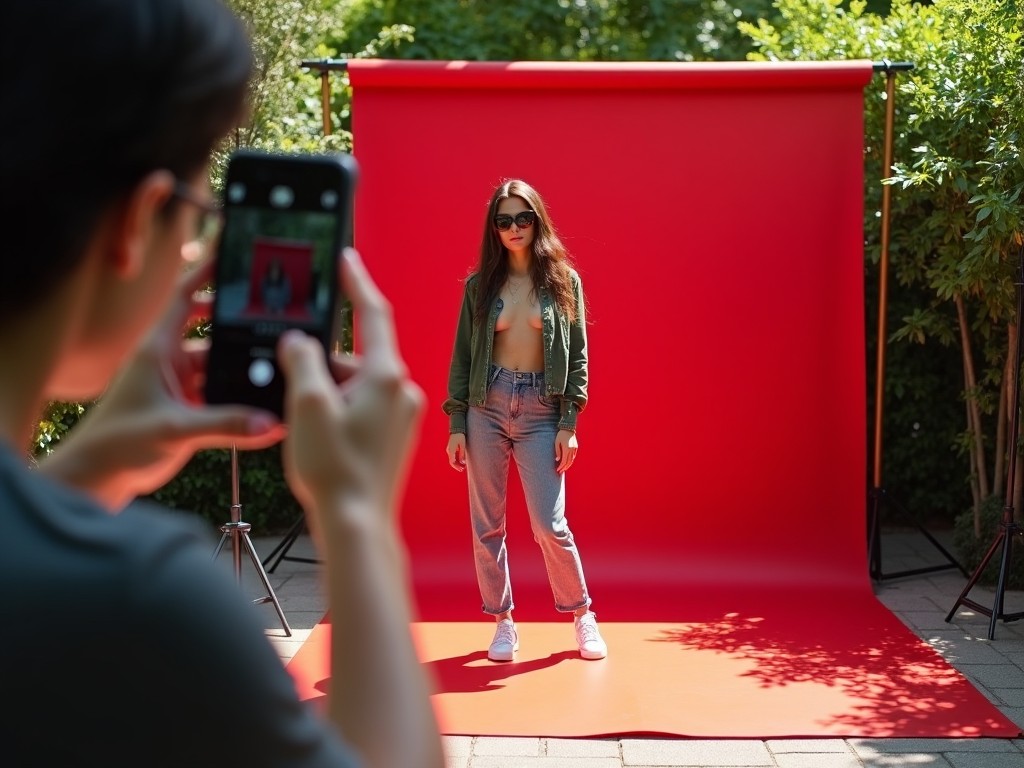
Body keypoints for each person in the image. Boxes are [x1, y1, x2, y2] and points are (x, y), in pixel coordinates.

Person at [0, 2, 443, 767]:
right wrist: (357, 515)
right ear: (140, 222)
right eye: (201, 214)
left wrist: (86, 473)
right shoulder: (140, 601)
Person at [443, 179, 607, 662]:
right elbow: (461, 356)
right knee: (486, 525)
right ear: (493, 229)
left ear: (538, 220)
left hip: (541, 408)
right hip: (484, 405)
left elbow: (577, 357)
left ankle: (582, 615)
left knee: (548, 523)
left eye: (523, 218)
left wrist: (569, 422)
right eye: (504, 220)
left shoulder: (563, 281)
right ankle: (503, 623)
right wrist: (456, 424)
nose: (514, 228)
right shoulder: (480, 286)